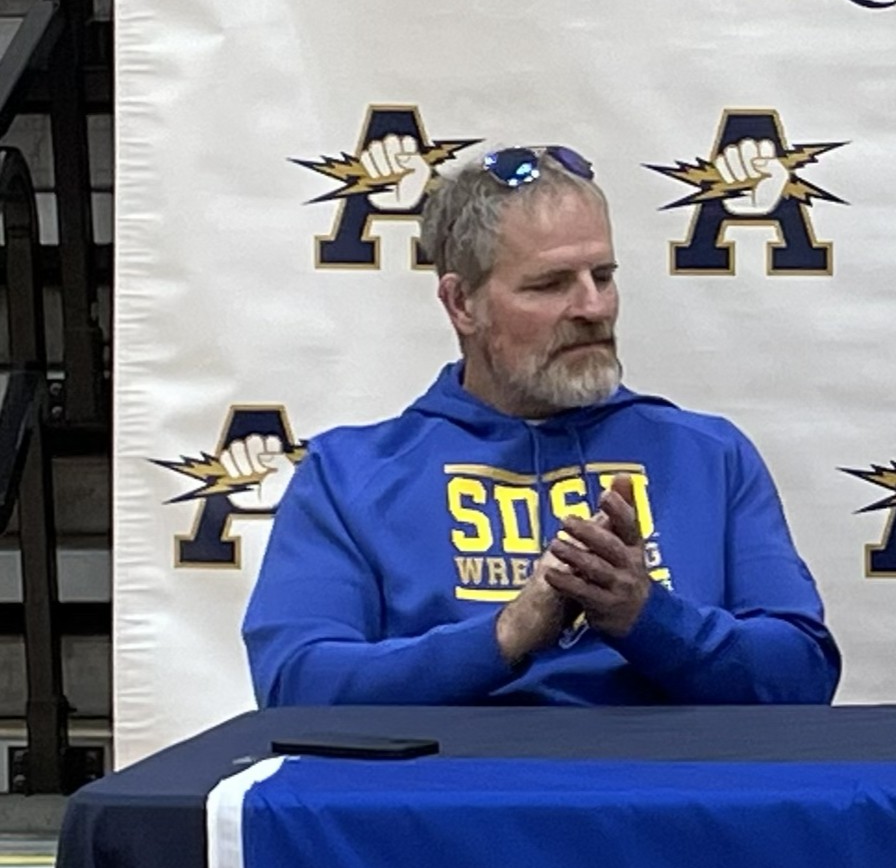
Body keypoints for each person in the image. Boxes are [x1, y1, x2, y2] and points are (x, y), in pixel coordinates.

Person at [244, 144, 839, 706]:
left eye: (602, 276)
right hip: (453, 806)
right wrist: (507, 632)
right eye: (551, 284)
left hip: (670, 802)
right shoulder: (349, 476)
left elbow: (802, 675)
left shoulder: (708, 456)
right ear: (461, 304)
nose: (593, 308)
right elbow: (296, 687)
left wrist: (648, 617)